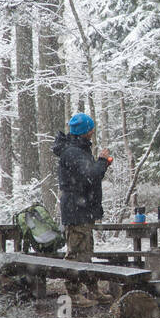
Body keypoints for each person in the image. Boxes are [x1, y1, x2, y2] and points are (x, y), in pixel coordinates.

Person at [52, 112, 112, 306]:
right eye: (91, 128)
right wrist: (102, 161)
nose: (93, 131)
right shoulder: (73, 152)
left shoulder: (79, 150)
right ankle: (73, 295)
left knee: (86, 252)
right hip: (76, 209)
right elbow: (91, 175)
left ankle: (93, 291)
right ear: (85, 131)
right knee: (76, 252)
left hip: (83, 209)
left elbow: (86, 175)